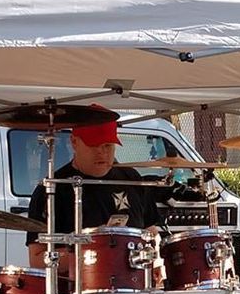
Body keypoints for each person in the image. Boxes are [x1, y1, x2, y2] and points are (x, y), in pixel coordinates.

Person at [24, 108, 162, 269]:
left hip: (135, 285)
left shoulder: (132, 179)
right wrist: (93, 249)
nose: (102, 152)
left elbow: (151, 231)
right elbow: (37, 258)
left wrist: (157, 261)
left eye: (108, 145)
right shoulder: (52, 189)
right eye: (94, 145)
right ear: (74, 142)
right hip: (79, 287)